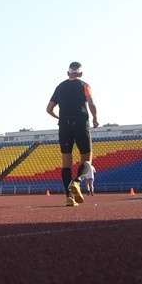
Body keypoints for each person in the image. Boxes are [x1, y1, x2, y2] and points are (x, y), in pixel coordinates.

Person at [46, 61, 99, 207]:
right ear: (80, 73)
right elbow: (91, 102)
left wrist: (60, 118)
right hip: (81, 122)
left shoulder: (60, 87)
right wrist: (95, 117)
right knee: (87, 160)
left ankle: (69, 197)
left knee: (66, 164)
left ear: (68, 73)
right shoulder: (84, 86)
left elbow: (49, 109)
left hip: (64, 125)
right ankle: (77, 182)